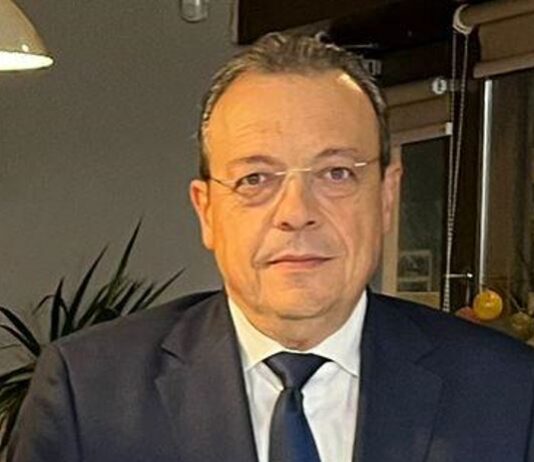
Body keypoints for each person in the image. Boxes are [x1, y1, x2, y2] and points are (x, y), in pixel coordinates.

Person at [8, 33, 534, 462]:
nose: (296, 212)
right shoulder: (90, 394)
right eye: (256, 178)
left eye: (336, 173)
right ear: (207, 211)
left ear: (387, 197)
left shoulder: (507, 392)